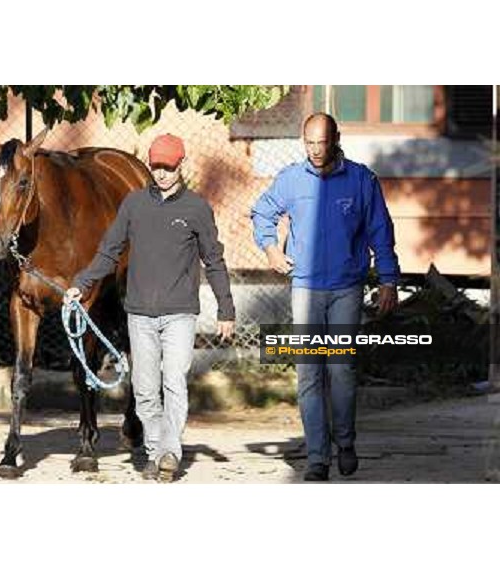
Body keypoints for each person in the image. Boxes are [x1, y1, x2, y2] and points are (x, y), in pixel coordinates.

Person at [64, 133, 236, 482]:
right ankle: (157, 451)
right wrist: (81, 284)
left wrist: (226, 308)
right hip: (139, 313)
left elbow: (214, 260)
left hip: (179, 313)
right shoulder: (134, 205)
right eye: (156, 166)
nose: (160, 174)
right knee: (144, 389)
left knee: (173, 380)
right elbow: (109, 250)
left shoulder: (196, 209)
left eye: (168, 167)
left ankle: (169, 451)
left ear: (181, 165)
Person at [251, 113, 400, 482]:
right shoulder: (291, 179)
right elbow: (262, 212)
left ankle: (345, 442)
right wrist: (270, 249)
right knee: (308, 375)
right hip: (304, 286)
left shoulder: (361, 180)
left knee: (341, 369)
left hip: (347, 287)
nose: (316, 151)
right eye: (309, 144)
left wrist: (388, 280)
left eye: (322, 143)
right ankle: (317, 457)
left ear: (336, 138)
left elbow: (381, 230)